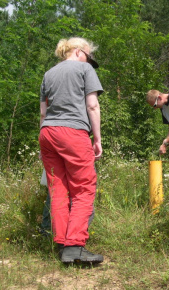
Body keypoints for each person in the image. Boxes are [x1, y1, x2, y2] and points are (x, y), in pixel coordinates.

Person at [39, 37, 104, 264]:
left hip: (47, 134)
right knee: (84, 189)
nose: (89, 60)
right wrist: (97, 138)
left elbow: (43, 113)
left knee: (57, 189)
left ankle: (61, 244)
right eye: (88, 55)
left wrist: (43, 145)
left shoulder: (48, 74)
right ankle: (74, 246)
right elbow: (92, 105)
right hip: (73, 133)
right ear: (78, 51)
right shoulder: (84, 69)